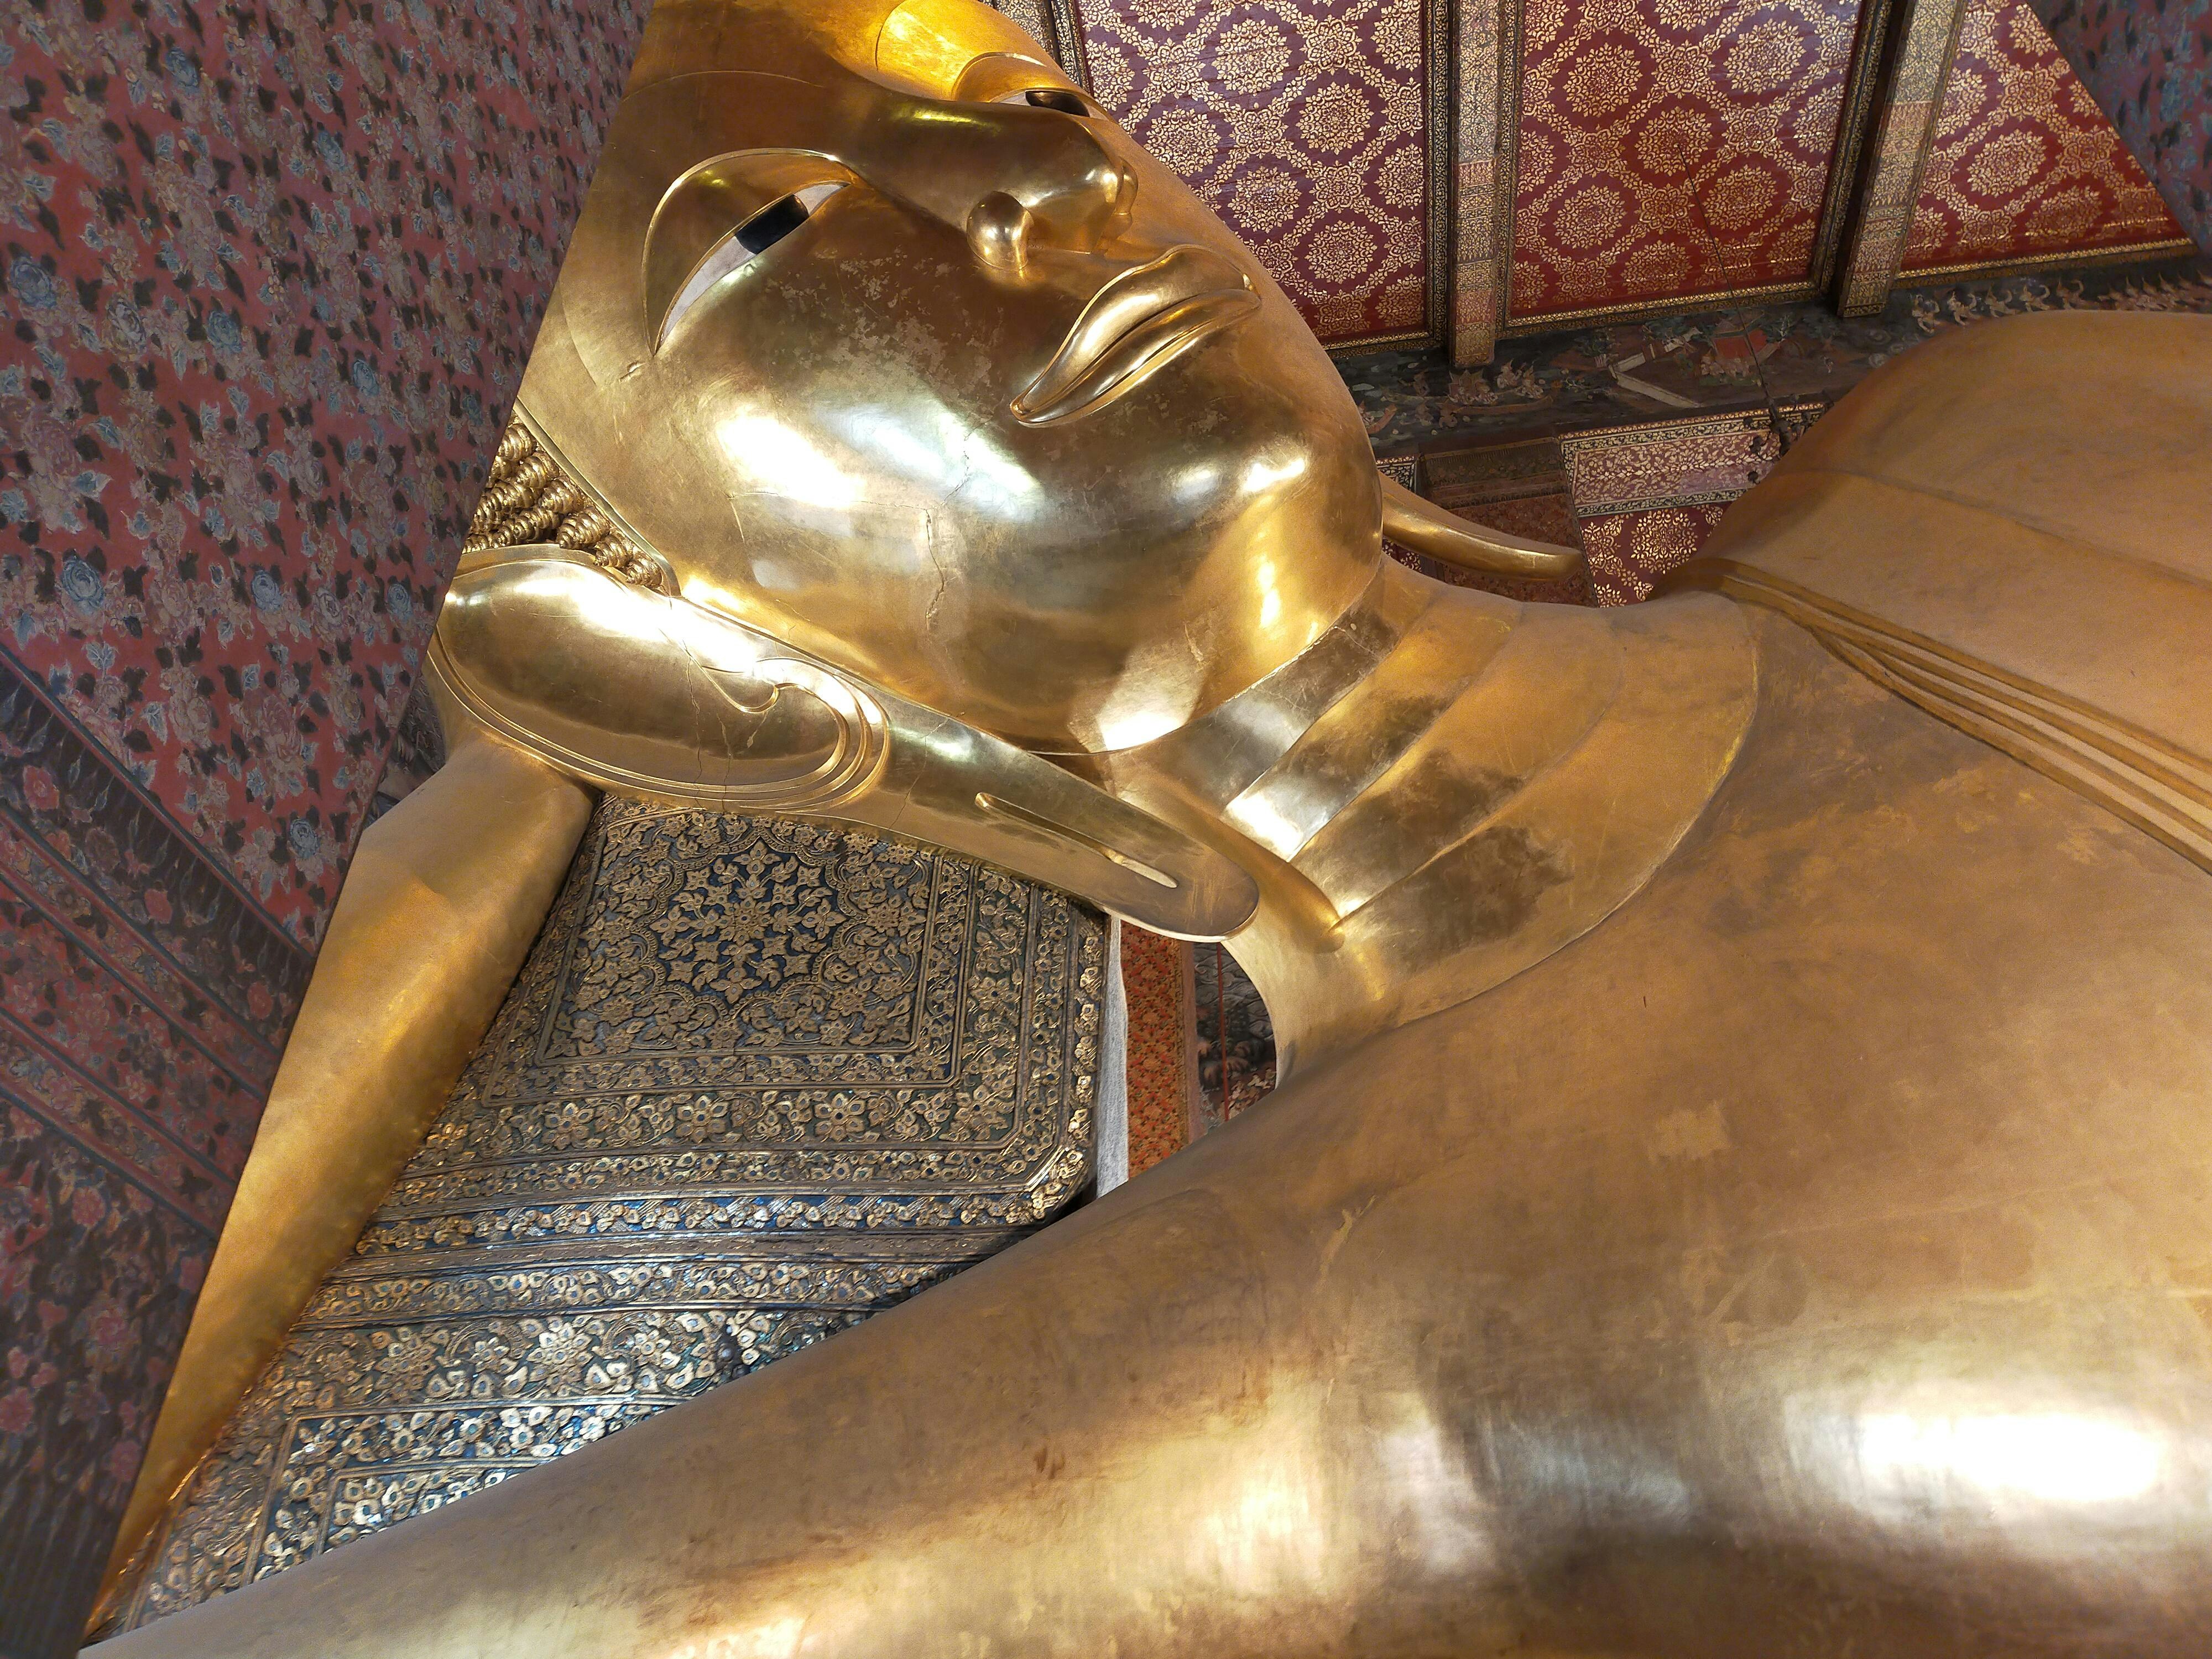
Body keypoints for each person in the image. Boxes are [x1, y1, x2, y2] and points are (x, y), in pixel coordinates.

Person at [103, 0, 2212, 1652]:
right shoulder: (1372, 1317)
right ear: (643, 664)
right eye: (766, 233)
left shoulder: (2001, 415)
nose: (1044, 181)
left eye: (1026, 92)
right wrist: (455, 848)